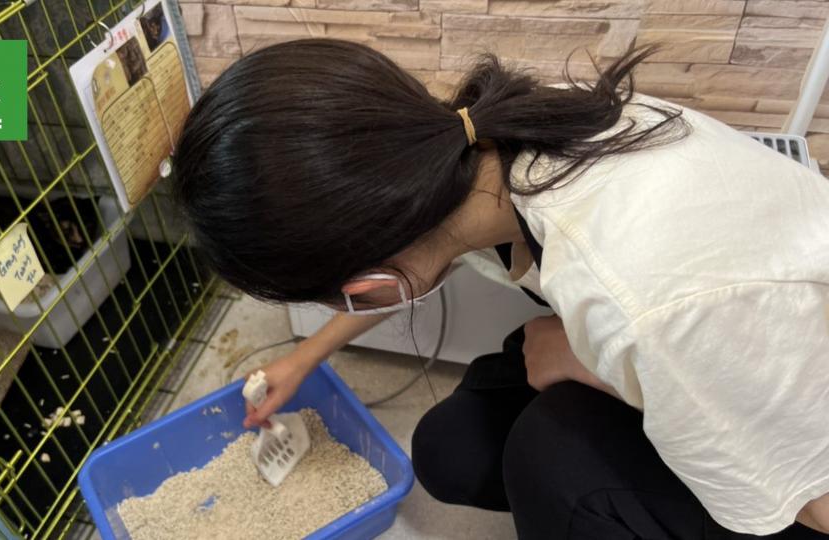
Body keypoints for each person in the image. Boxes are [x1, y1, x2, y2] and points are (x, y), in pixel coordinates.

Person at [173, 38, 829, 538]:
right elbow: (405, 264)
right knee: (452, 448)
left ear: (368, 278)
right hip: (701, 344)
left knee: (553, 464)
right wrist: (304, 355)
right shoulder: (485, 142)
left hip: (797, 442)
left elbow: (809, 496)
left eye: (342, 296)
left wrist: (594, 365)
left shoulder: (642, 303)